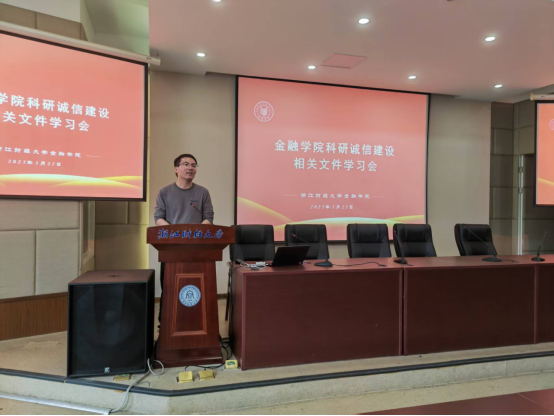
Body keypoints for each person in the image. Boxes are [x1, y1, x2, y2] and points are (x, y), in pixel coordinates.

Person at [154, 153, 214, 328]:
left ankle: (198, 323)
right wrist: (176, 234)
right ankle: (166, 326)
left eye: (194, 165)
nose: (190, 168)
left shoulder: (203, 192)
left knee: (197, 286)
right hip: (171, 249)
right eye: (186, 164)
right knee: (169, 288)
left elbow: (208, 218)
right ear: (176, 169)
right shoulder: (164, 192)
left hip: (197, 249)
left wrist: (194, 235)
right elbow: (158, 218)